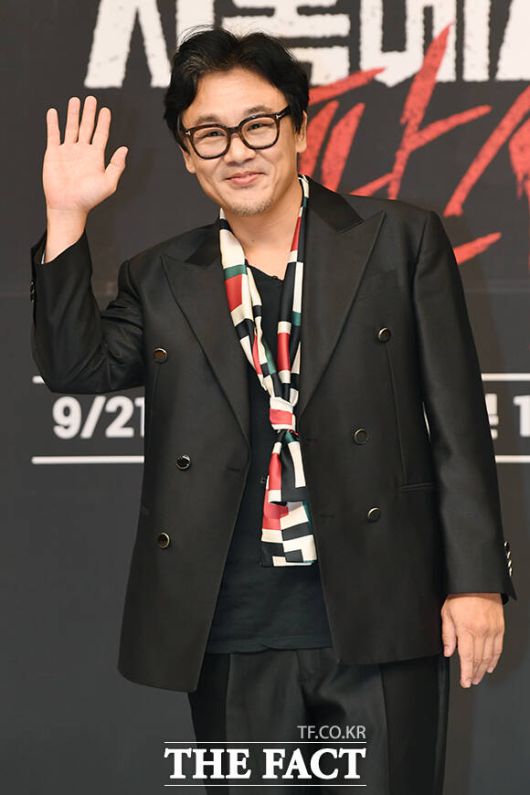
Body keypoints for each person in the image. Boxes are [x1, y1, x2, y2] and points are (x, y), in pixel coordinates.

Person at [30, 26, 516, 795]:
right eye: (210, 134)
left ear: (298, 128)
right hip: (231, 624)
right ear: (188, 155)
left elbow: (457, 427)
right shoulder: (161, 277)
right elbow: (75, 365)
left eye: (258, 124)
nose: (238, 150)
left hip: (383, 610)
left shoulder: (398, 240)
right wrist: (66, 219)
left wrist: (477, 581)